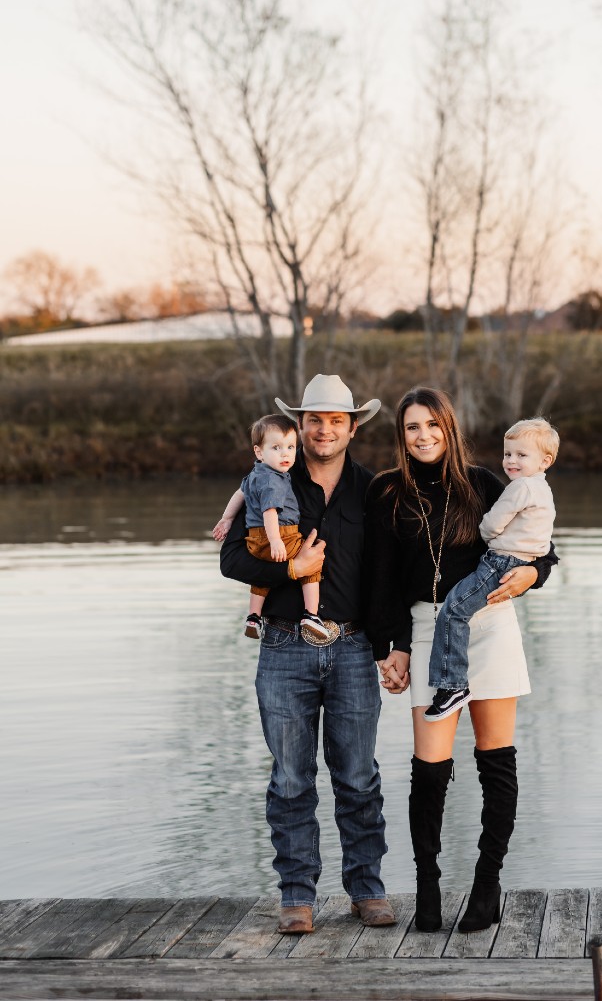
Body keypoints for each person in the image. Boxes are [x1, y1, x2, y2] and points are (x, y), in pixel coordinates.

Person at [364, 387, 557, 934]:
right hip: (426, 630)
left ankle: (487, 883)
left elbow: (542, 546)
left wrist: (532, 575)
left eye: (433, 425)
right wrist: (391, 646)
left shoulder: (486, 483)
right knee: (430, 769)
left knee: (496, 760)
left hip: (490, 624)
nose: (423, 436)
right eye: (411, 427)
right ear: (401, 436)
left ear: (449, 428)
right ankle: (427, 887)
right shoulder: (386, 493)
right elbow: (380, 580)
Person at [220, 374, 396, 936]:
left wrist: (396, 647)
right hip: (281, 647)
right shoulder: (269, 477)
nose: (324, 429)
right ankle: (296, 897)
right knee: (291, 779)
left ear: (352, 428)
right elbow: (230, 560)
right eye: (314, 419)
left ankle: (366, 890)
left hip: (351, 649)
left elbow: (388, 577)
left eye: (335, 421)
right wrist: (287, 571)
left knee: (359, 777)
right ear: (299, 425)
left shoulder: (374, 491)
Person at [425, 418, 559, 722]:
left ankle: (453, 685)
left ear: (545, 460)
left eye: (521, 455)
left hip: (501, 561)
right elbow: (542, 539)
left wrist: (487, 535)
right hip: (520, 561)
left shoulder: (519, 487)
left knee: (454, 609)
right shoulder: (542, 488)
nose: (511, 461)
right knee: (460, 609)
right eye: (508, 454)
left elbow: (493, 522)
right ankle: (454, 683)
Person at [212, 413, 329, 641]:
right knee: (312, 565)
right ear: (259, 452)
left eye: (290, 447)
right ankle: (311, 615)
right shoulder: (274, 480)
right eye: (276, 448)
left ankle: (253, 616)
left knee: (262, 578)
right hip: (280, 536)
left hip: (255, 541)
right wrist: (276, 541)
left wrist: (226, 519)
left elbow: (240, 493)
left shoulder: (256, 474)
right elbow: (270, 512)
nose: (285, 454)